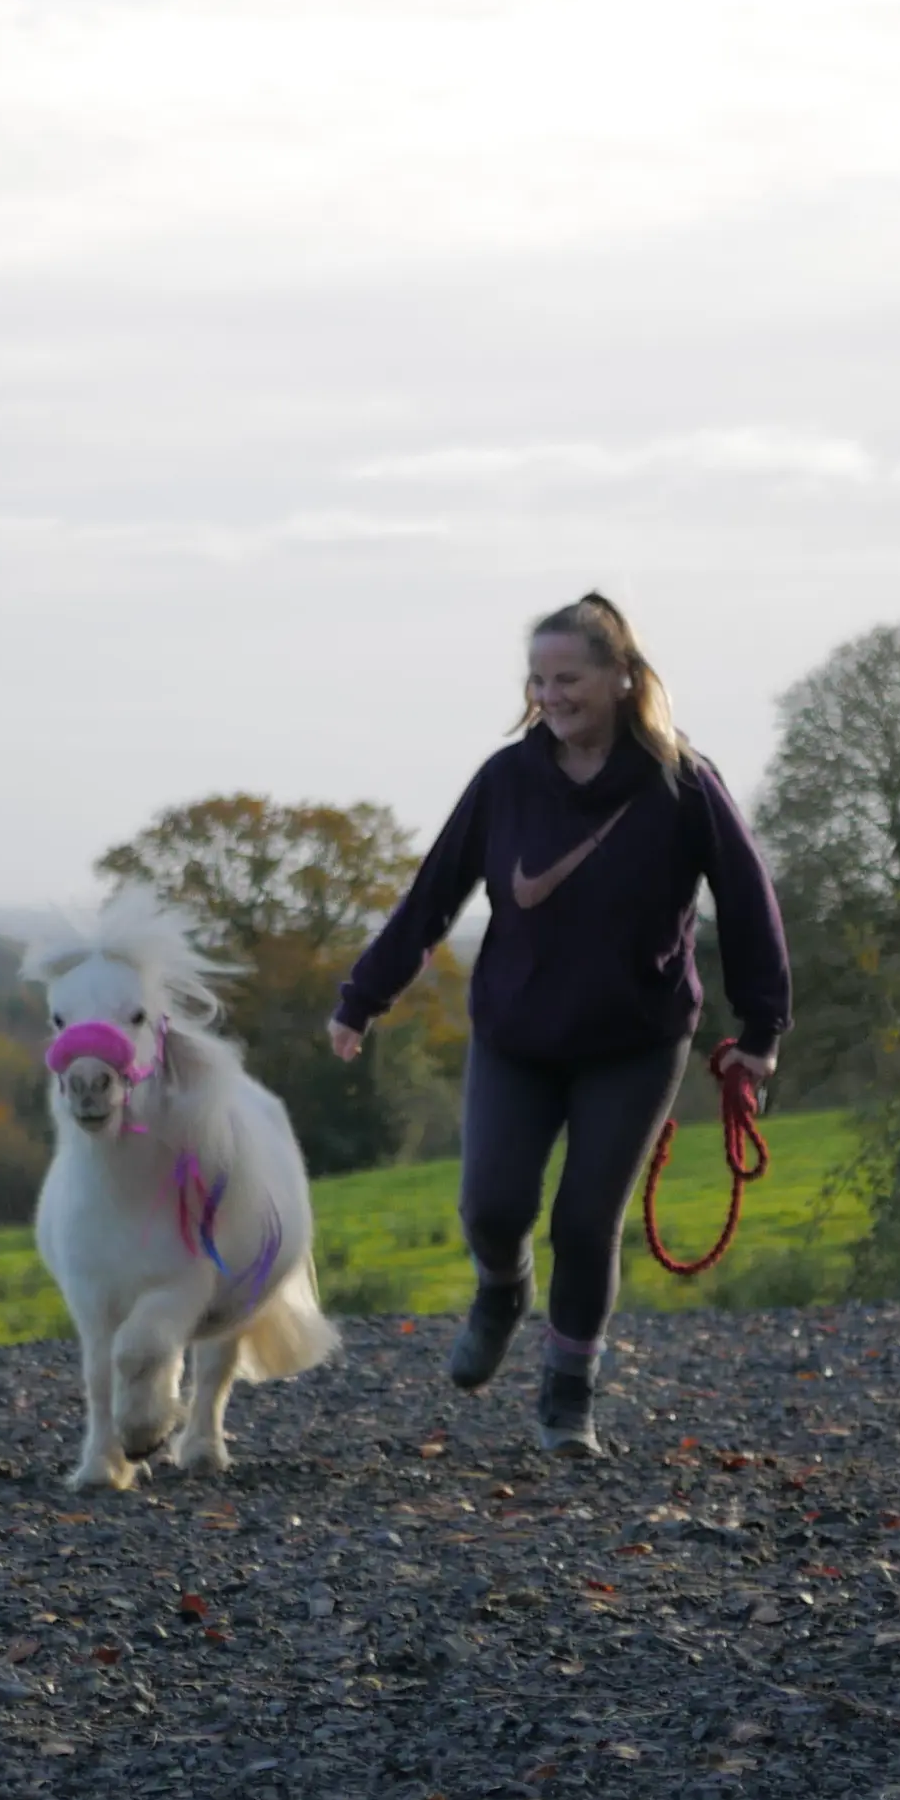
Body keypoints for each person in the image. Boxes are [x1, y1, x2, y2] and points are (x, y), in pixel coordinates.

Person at [329, 593, 789, 1455]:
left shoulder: (681, 782)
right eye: (537, 679)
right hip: (517, 1033)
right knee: (491, 1206)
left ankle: (568, 1395)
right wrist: (363, 997)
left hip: (636, 1039)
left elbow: (752, 904)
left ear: (620, 677)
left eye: (568, 676)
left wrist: (760, 1036)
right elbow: (435, 896)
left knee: (586, 1220)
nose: (551, 694)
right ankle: (503, 1289)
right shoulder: (507, 780)